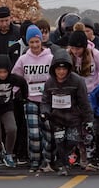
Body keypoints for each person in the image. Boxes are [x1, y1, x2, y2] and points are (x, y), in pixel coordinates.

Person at [11, 25, 55, 171]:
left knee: (48, 132)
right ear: (28, 43)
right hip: (30, 100)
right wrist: (12, 93)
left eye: (37, 41)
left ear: (41, 41)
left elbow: (56, 77)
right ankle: (35, 160)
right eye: (32, 42)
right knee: (34, 133)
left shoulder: (50, 58)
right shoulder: (23, 59)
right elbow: (16, 77)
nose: (35, 45)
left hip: (47, 101)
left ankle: (48, 160)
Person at [43, 53, 92, 172]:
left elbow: (84, 102)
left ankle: (67, 157)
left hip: (74, 118)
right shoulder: (49, 83)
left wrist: (88, 119)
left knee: (72, 141)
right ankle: (64, 165)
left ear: (69, 69)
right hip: (57, 118)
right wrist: (44, 112)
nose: (61, 72)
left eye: (64, 69)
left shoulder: (77, 81)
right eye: (58, 69)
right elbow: (45, 101)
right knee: (59, 141)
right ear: (53, 69)